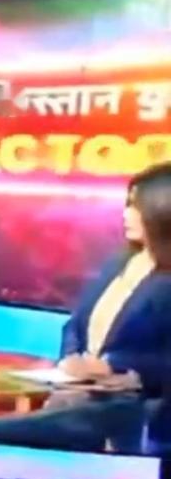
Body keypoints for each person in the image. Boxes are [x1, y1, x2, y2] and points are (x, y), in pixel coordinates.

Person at [59, 162, 171, 395]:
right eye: (128, 204)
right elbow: (76, 323)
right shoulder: (119, 262)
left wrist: (113, 366)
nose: (126, 214)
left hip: (142, 405)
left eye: (137, 207)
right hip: (80, 393)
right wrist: (72, 358)